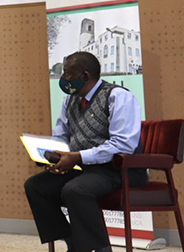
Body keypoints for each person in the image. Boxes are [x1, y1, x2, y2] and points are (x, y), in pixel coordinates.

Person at [24, 52, 147, 252]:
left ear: (85, 76)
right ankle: (72, 241)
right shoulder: (70, 100)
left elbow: (123, 144)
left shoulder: (118, 96)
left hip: (117, 170)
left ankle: (101, 248)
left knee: (75, 190)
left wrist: (78, 157)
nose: (63, 78)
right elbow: (62, 136)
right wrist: (54, 155)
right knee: (36, 186)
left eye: (67, 73)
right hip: (84, 168)